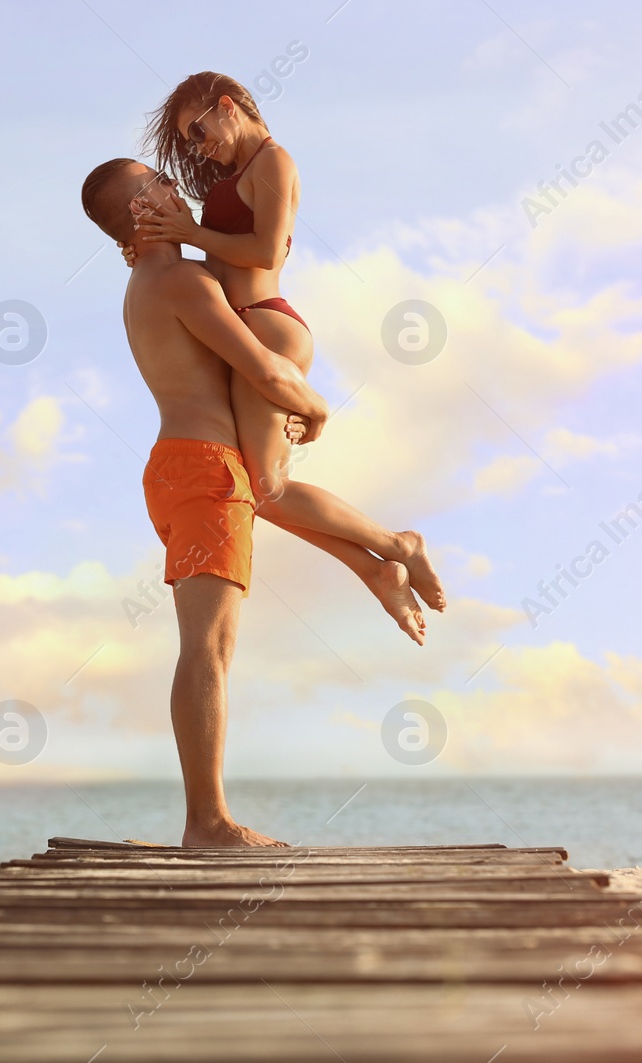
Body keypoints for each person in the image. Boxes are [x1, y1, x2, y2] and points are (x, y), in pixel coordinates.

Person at [127, 71, 445, 646]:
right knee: (260, 492)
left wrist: (189, 234)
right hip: (248, 333)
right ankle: (378, 568)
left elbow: (266, 250)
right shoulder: (238, 175)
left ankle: (399, 548)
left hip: (268, 328)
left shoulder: (274, 161)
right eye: (190, 141)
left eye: (199, 131)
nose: (200, 147)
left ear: (228, 106)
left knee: (267, 488)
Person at [81, 157, 327, 847]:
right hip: (206, 471)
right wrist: (317, 407)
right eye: (156, 184)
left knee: (212, 645)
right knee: (208, 648)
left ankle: (205, 818)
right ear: (138, 214)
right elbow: (261, 367)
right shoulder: (182, 281)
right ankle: (208, 822)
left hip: (182, 469)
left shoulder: (151, 281)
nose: (172, 187)